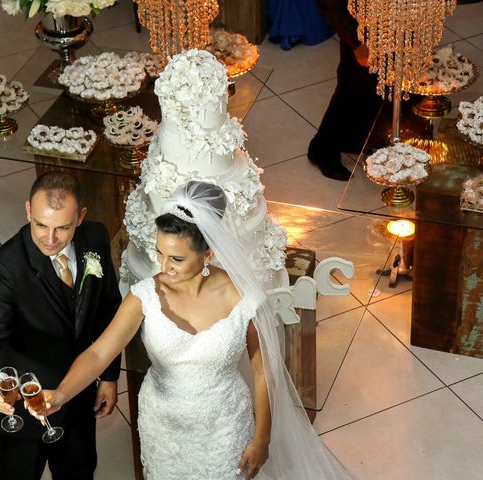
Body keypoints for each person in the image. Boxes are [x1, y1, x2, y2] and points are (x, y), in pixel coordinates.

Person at [29, 181, 354, 479]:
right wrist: (61, 393)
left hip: (225, 429)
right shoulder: (143, 296)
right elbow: (99, 352)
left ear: (208, 254)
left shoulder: (245, 298)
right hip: (163, 431)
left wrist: (262, 437)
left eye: (177, 259)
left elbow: (263, 371)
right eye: (160, 253)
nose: (164, 267)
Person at [0, 171, 122, 480]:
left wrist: (108, 376)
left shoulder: (95, 237)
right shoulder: (4, 267)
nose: (50, 238)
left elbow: (108, 309)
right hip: (27, 404)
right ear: (28, 210)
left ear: (80, 217)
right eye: (40, 224)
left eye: (62, 228)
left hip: (79, 394)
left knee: (79, 472)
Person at [307, 0, 383, 181]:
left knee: (381, 85)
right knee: (353, 86)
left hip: (388, 19)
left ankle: (362, 140)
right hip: (360, 23)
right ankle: (322, 148)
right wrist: (356, 42)